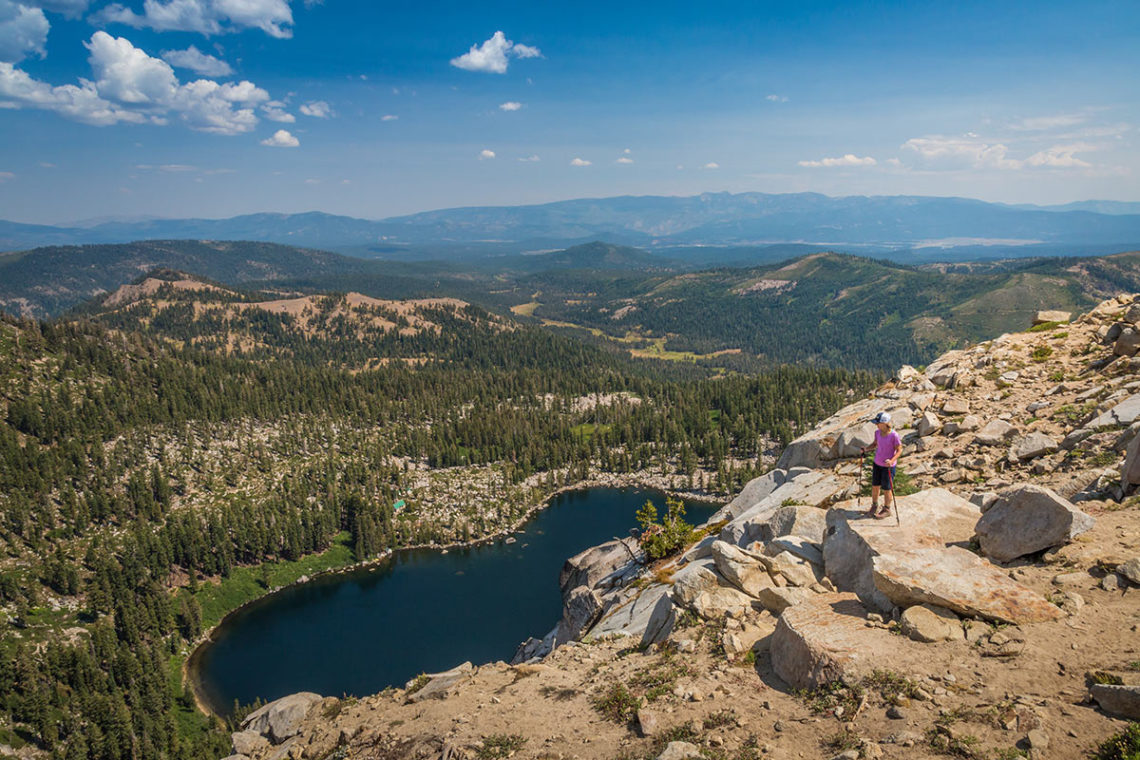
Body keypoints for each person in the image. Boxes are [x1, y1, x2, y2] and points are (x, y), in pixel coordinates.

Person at [865, 411, 901, 519]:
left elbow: (899, 450)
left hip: (888, 466)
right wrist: (866, 449)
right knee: (875, 485)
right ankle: (874, 505)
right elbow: (875, 444)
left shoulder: (894, 435)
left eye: (878, 423)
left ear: (885, 423)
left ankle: (887, 509)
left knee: (887, 488)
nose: (876, 425)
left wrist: (892, 460)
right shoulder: (877, 432)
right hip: (877, 463)